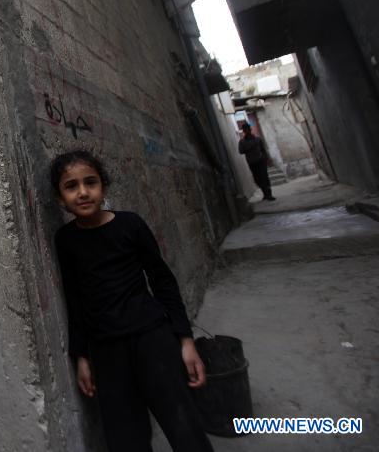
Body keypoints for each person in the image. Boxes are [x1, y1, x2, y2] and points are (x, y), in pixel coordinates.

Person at [52, 151, 213, 452]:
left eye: (91, 182)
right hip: (106, 350)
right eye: (71, 186)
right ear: (60, 197)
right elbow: (74, 299)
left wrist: (185, 340)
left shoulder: (130, 225)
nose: (83, 192)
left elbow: (163, 281)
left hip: (153, 339)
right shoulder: (66, 240)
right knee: (126, 438)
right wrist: (81, 356)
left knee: (184, 425)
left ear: (104, 187)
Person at [237, 122, 276, 201]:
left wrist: (267, 158)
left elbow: (263, 149)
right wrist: (249, 147)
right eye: (245, 130)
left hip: (261, 161)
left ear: (250, 129)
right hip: (252, 163)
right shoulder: (242, 142)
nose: (247, 131)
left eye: (248, 129)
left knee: (264, 177)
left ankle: (269, 194)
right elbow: (241, 151)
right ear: (244, 131)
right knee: (257, 179)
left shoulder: (258, 139)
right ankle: (265, 194)